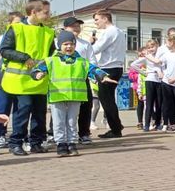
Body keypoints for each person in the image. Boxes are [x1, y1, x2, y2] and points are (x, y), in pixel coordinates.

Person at [32, 31, 116, 156]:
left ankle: (71, 143)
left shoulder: (81, 61)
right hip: (58, 97)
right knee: (59, 122)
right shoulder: (50, 61)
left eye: (71, 44)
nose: (69, 47)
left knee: (72, 122)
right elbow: (36, 70)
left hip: (75, 97)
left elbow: (94, 69)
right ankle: (61, 144)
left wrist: (103, 76)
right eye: (65, 44)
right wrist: (37, 74)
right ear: (59, 45)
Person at [0, 0, 56, 155]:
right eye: (46, 12)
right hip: (20, 81)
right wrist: (24, 57)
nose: (48, 15)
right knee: (22, 113)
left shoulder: (49, 32)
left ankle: (36, 143)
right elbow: (5, 50)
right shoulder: (16, 29)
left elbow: (52, 54)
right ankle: (16, 143)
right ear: (33, 12)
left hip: (40, 80)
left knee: (39, 114)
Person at [0, 11, 23, 154]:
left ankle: (19, 139)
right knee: (1, 109)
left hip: (22, 78)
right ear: (9, 24)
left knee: (21, 110)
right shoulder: (4, 37)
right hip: (6, 77)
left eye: (21, 23)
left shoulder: (25, 36)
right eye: (16, 23)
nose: (19, 26)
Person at [61, 17, 98, 144]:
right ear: (65, 28)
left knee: (86, 107)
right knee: (60, 108)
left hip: (81, 81)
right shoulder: (57, 42)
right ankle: (55, 134)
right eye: (73, 26)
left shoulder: (85, 44)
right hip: (62, 82)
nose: (76, 28)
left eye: (78, 26)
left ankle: (84, 133)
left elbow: (92, 62)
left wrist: (94, 75)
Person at [90, 10, 126, 138]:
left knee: (106, 100)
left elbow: (96, 49)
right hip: (116, 67)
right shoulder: (119, 32)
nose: (96, 23)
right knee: (108, 99)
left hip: (108, 68)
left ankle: (116, 128)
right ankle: (116, 125)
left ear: (105, 19)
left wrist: (89, 45)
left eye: (97, 19)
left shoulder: (109, 32)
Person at [131, 40, 164, 131]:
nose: (151, 49)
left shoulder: (160, 55)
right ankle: (146, 124)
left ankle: (158, 123)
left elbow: (161, 64)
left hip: (159, 80)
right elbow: (133, 64)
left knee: (159, 103)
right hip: (150, 79)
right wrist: (144, 73)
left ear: (157, 46)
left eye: (153, 47)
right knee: (149, 103)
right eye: (149, 47)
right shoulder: (146, 57)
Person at [157, 34, 175, 132]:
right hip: (166, 82)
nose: (166, 44)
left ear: (173, 42)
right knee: (168, 104)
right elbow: (159, 62)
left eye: (168, 41)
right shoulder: (167, 54)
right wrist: (147, 56)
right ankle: (171, 123)